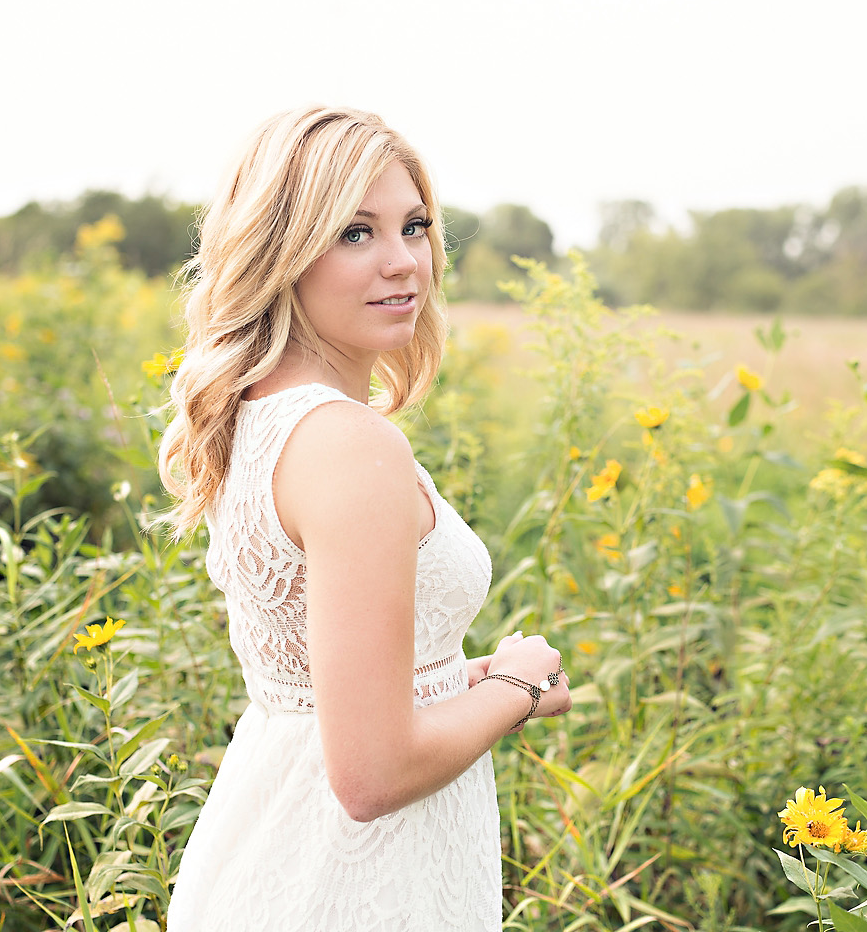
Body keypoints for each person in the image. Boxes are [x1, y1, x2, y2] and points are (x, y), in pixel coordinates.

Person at [158, 106, 572, 931]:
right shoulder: (348, 445)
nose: (403, 262)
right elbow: (372, 773)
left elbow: (327, 694)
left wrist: (458, 681)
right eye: (354, 233)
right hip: (351, 888)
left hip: (278, 844)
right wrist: (521, 685)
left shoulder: (264, 417)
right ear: (283, 251)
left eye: (414, 227)